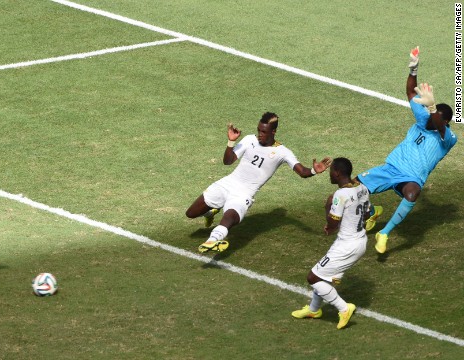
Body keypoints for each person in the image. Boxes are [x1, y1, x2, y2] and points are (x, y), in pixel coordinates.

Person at [185, 112, 331, 253]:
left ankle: (212, 241)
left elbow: (302, 172)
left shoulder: (283, 152)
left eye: (264, 132)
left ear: (273, 132)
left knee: (228, 218)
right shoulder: (250, 140)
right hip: (227, 184)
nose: (260, 134)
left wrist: (313, 170)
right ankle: (210, 213)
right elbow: (227, 161)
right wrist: (231, 141)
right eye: (259, 130)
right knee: (191, 213)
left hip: (244, 194)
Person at [358, 47, 458, 254]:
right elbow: (411, 92)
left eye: (435, 115)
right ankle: (371, 212)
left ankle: (384, 233)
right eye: (431, 113)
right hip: (391, 167)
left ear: (446, 121)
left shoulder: (448, 138)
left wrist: (432, 109)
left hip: (412, 177)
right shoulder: (424, 120)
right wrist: (413, 70)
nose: (431, 118)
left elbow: (439, 124)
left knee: (413, 193)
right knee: (355, 187)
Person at [291, 157, 369, 329]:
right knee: (325, 276)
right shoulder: (363, 188)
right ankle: (314, 310)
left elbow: (332, 223)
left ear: (337, 173)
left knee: (313, 277)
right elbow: (367, 214)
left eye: (331, 171)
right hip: (360, 240)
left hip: (347, 245)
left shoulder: (340, 195)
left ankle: (343, 309)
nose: (329, 175)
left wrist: (328, 206)